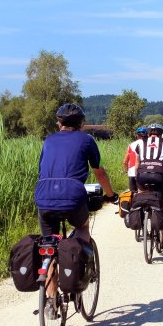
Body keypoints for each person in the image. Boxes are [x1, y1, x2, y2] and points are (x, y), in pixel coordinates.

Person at [34, 103, 117, 298]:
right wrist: (110, 195)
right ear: (81, 123)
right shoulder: (86, 140)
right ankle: (78, 270)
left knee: (49, 244)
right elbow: (99, 171)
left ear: (59, 123)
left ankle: (51, 302)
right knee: (82, 226)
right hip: (73, 195)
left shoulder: (49, 140)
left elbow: (42, 171)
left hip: (44, 195)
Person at [129, 122, 163, 250]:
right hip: (159, 176)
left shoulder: (140, 143)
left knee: (142, 197)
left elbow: (136, 164)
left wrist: (137, 180)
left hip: (142, 175)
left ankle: (142, 221)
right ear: (160, 132)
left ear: (149, 132)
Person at [123, 126, 147, 192]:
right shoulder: (149, 144)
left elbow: (125, 161)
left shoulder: (131, 145)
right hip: (145, 172)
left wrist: (127, 171)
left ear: (137, 135)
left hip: (132, 172)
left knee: (133, 193)